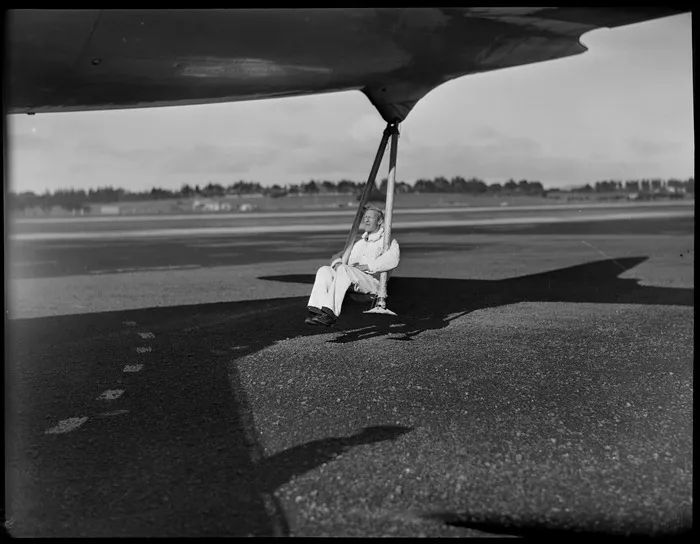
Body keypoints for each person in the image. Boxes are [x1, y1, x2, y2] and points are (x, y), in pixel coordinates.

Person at [306, 206, 400, 327]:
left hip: (373, 283)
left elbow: (392, 260)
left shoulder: (387, 241)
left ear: (380, 221)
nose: (366, 220)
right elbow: (337, 256)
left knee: (344, 269)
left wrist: (366, 266)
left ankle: (330, 314)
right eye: (365, 217)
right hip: (352, 280)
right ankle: (317, 311)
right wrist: (337, 263)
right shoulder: (359, 243)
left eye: (370, 217)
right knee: (324, 270)